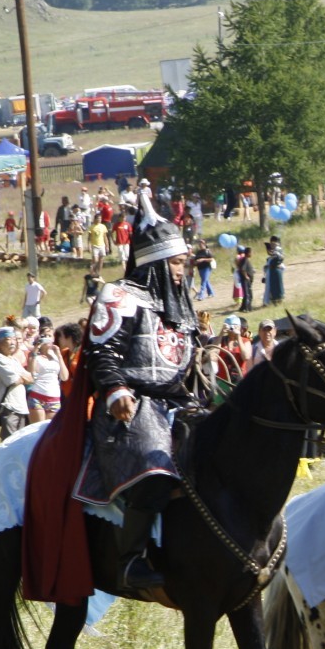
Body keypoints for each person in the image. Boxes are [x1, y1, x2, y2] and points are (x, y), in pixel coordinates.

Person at [73, 195, 204, 594]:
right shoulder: (119, 297)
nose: (184, 270)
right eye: (179, 262)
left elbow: (186, 361)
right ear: (158, 263)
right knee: (154, 466)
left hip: (178, 402)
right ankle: (132, 560)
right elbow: (102, 353)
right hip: (130, 407)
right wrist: (114, 390)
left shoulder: (182, 306)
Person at [0, 328, 32, 441]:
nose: (13, 342)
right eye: (8, 339)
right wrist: (23, 377)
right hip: (9, 407)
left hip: (21, 407)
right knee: (9, 442)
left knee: (20, 442)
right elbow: (14, 380)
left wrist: (23, 377)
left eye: (14, 339)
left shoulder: (13, 359)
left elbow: (31, 378)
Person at [27, 325, 70, 423]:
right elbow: (31, 373)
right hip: (38, 395)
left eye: (49, 335)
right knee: (37, 430)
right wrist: (36, 350)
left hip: (54, 398)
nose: (47, 338)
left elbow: (64, 377)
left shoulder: (55, 355)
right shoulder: (35, 355)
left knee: (50, 431)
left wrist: (59, 355)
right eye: (44, 335)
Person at [263, 237, 285, 308]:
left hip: (276, 271)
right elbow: (271, 254)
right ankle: (272, 300)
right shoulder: (271, 257)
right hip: (272, 272)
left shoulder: (278, 253)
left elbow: (279, 257)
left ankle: (278, 300)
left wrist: (275, 252)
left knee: (278, 287)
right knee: (272, 287)